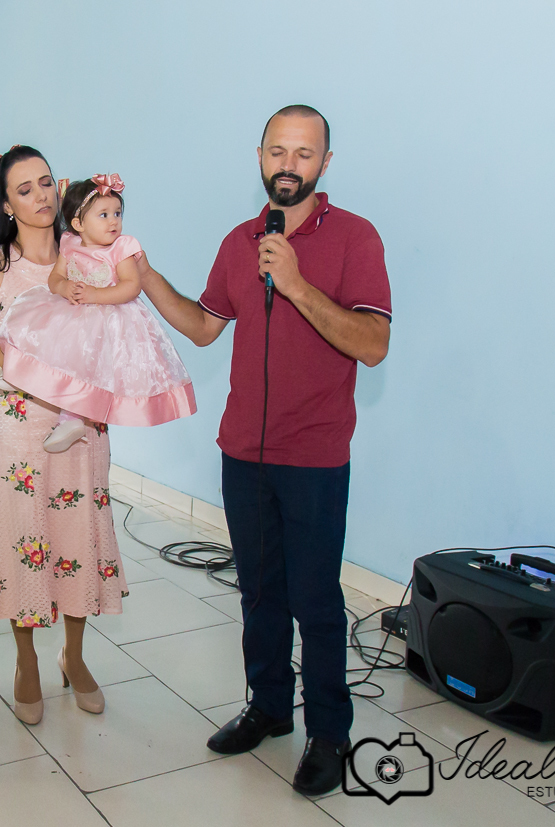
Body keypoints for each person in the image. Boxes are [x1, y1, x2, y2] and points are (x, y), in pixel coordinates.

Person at [137, 105, 392, 796]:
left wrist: (298, 284)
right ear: (259, 156)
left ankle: (329, 732)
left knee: (316, 599)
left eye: (304, 153)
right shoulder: (239, 241)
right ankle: (270, 705)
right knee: (258, 592)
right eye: (278, 150)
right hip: (243, 451)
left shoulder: (356, 237)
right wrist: (147, 277)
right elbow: (204, 326)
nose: (289, 164)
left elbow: (373, 345)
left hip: (314, 455)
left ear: (325, 163)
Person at [0, 146, 127, 724]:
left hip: (82, 424)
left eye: (46, 183)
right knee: (23, 537)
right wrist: (36, 359)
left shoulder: (87, 253)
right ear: (6, 204)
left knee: (79, 535)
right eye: (24, 189)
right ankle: (26, 659)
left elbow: (117, 325)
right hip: (20, 425)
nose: (40, 196)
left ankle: (74, 656)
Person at [0, 173, 195, 453]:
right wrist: (64, 287)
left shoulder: (121, 248)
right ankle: (19, 372)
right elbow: (55, 278)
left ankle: (71, 418)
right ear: (78, 224)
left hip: (108, 318)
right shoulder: (69, 244)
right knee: (45, 339)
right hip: (74, 311)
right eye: (103, 215)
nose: (114, 221)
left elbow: (131, 286)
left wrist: (94, 295)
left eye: (117, 213)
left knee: (86, 368)